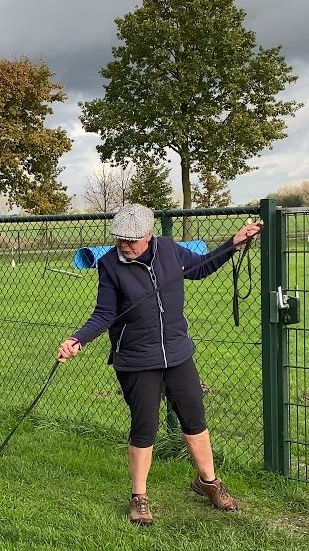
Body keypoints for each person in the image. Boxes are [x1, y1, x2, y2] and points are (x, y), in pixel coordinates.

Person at [58, 203, 262, 526]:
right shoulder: (110, 265)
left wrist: (233, 243)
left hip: (177, 354)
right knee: (145, 426)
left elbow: (201, 267)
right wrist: (78, 339)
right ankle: (139, 497)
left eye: (132, 240)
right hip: (137, 359)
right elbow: (104, 313)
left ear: (149, 234)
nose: (124, 245)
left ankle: (208, 483)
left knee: (195, 419)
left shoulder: (168, 249)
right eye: (120, 239)